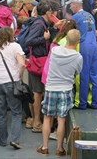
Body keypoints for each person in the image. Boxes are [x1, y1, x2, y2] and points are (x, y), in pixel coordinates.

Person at [36, 29, 82, 157]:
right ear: (77, 42)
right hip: (65, 89)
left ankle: (44, 147)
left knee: (47, 118)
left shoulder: (55, 51)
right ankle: (59, 148)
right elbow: (77, 72)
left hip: (51, 88)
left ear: (66, 39)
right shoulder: (78, 57)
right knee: (61, 120)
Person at [23, 0, 59, 133]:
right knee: (38, 93)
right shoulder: (39, 25)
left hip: (39, 61)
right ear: (48, 12)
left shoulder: (41, 23)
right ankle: (37, 122)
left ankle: (36, 120)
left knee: (37, 92)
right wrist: (44, 38)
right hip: (39, 62)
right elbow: (29, 41)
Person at [68, 0, 97, 109]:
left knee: (82, 75)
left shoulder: (75, 17)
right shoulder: (90, 15)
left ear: (75, 5)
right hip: (94, 46)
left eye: (71, 5)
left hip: (83, 46)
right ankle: (93, 102)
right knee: (95, 74)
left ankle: (81, 103)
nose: (70, 7)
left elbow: (68, 32)